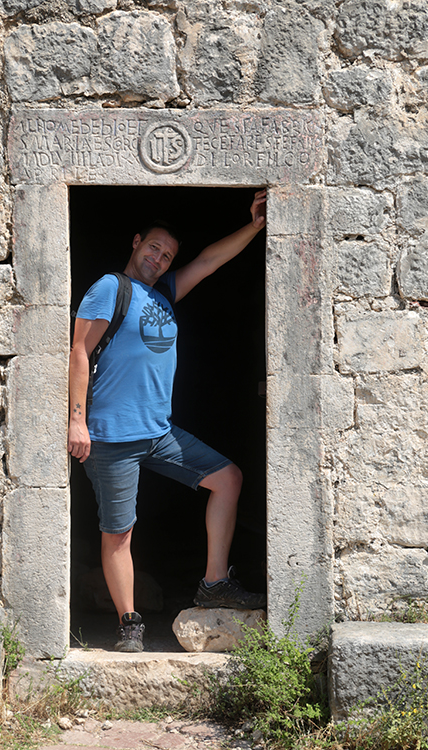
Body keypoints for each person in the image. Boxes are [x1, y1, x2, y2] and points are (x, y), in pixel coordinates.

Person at [68, 189, 267, 652]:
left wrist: (254, 227)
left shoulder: (163, 294)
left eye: (167, 255)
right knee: (119, 532)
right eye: (153, 248)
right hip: (111, 436)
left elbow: (209, 261)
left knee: (228, 478)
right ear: (136, 243)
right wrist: (77, 421)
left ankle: (215, 582)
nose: (159, 258)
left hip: (158, 433)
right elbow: (78, 351)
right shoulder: (110, 287)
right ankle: (129, 624)